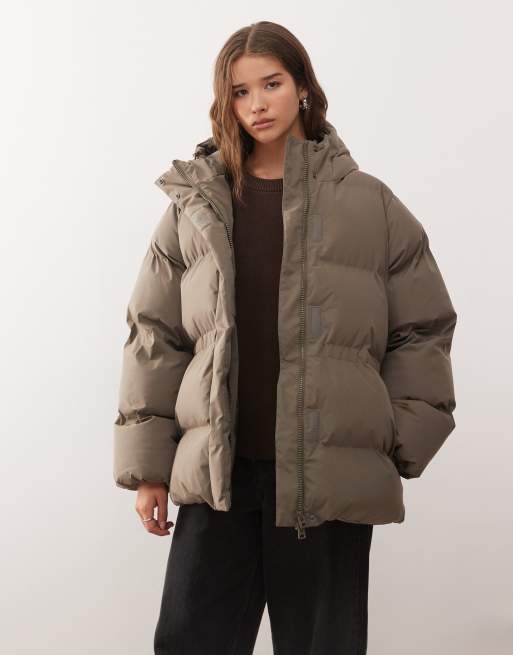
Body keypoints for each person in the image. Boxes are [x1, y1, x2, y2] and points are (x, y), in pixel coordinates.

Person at [112, 20, 457, 655]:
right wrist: (148, 468)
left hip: (326, 480)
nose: (257, 104)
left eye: (271, 84)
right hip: (220, 476)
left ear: (302, 87)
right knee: (190, 640)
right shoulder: (197, 204)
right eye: (240, 91)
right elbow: (153, 337)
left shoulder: (371, 204)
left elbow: (424, 327)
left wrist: (393, 442)